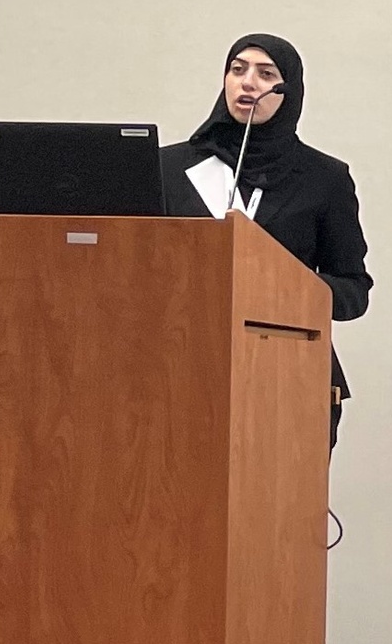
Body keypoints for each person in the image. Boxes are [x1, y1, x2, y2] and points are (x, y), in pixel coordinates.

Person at [159, 34, 372, 445]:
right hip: (178, 372)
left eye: (266, 74)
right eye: (237, 69)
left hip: (289, 380)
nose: (248, 82)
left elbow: (353, 291)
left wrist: (285, 286)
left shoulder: (324, 178)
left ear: (288, 91)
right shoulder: (168, 168)